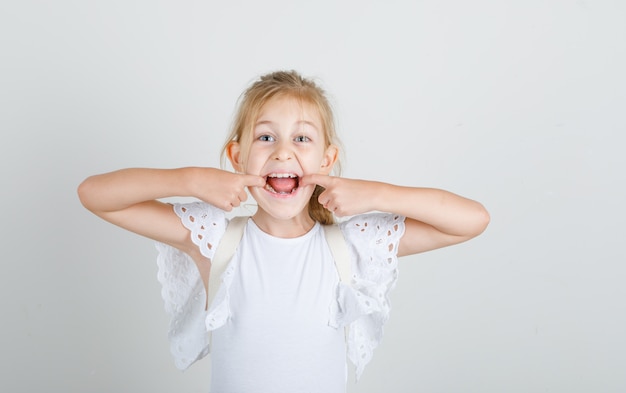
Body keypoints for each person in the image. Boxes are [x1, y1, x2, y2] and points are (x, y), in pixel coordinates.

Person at [78, 70, 489, 392]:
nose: (283, 150)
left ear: (327, 160)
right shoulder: (214, 240)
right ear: (237, 156)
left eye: (302, 137)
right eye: (266, 136)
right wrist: (190, 181)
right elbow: (95, 194)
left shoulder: (351, 246)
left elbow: (471, 220)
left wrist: (377, 194)